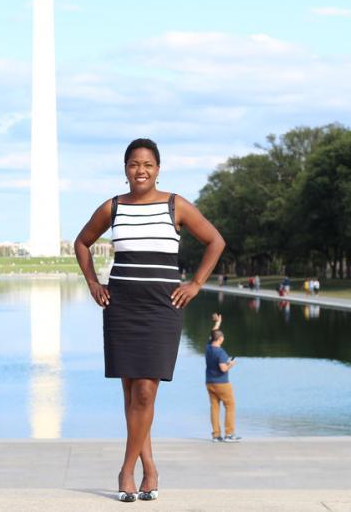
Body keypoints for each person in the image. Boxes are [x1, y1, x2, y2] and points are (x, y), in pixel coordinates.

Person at [74, 138, 225, 502]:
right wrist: (93, 283)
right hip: (122, 305)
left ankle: (128, 469)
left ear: (158, 169)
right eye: (133, 164)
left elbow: (215, 241)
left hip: (161, 308)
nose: (140, 170)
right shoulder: (113, 208)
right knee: (132, 394)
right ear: (125, 169)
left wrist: (196, 284)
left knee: (145, 391)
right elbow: (82, 242)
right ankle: (150, 467)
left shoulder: (176, 206)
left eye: (148, 164)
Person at [205, 315, 240, 443]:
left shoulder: (208, 348)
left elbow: (212, 334)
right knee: (230, 406)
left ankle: (216, 435)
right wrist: (231, 364)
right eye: (222, 337)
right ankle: (229, 434)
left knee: (214, 407)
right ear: (220, 339)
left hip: (209, 382)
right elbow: (223, 368)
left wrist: (218, 323)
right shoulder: (221, 353)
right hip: (222, 383)